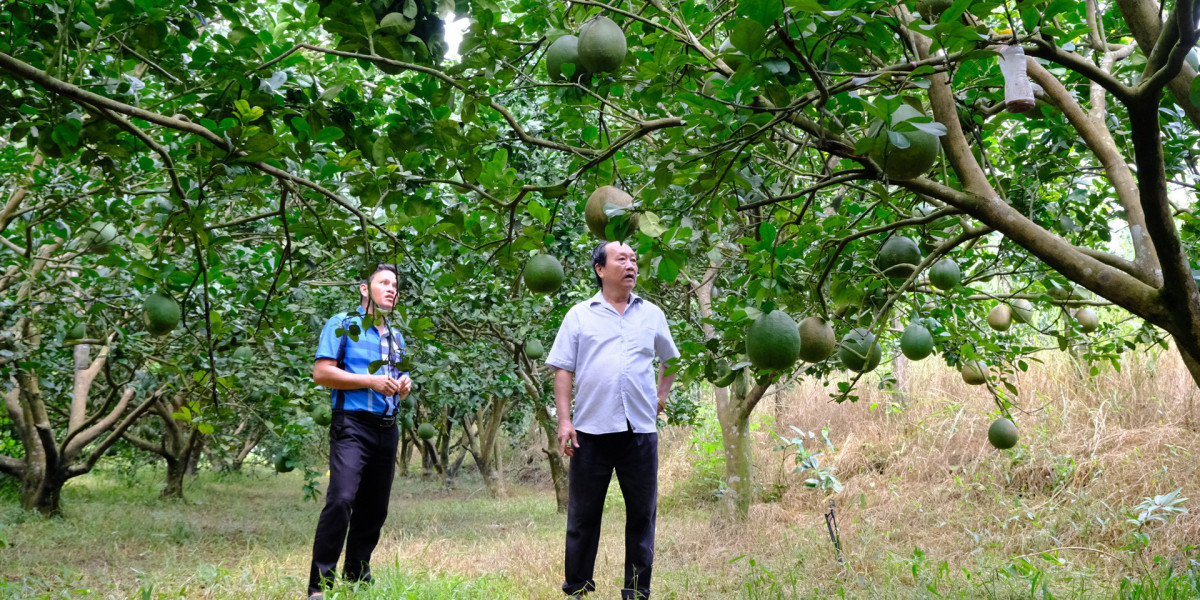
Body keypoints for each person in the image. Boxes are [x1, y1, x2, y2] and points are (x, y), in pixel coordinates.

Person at [545, 241, 680, 599]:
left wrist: (661, 395)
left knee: (641, 517)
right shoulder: (579, 314)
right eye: (622, 258)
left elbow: (671, 358)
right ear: (600, 269)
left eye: (634, 259)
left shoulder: (652, 314)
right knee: (583, 518)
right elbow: (563, 370)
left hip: (639, 433)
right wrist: (564, 421)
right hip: (590, 433)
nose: (631, 265)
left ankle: (636, 591)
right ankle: (577, 587)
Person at [307, 264, 412, 600]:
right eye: (384, 282)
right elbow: (322, 373)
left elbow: (392, 383)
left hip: (387, 427)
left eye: (395, 284)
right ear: (365, 289)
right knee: (341, 500)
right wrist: (369, 380)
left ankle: (357, 576)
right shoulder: (342, 324)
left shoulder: (396, 336)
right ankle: (320, 586)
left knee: (374, 508)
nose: (391, 289)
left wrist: (403, 386)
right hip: (351, 425)